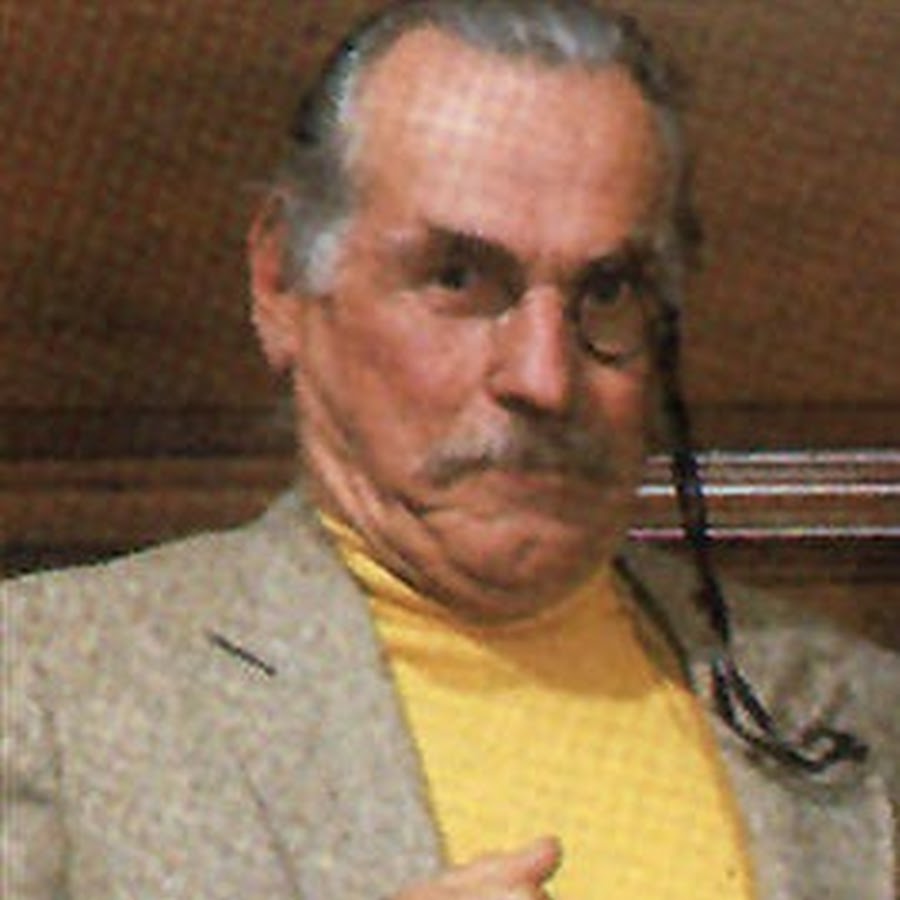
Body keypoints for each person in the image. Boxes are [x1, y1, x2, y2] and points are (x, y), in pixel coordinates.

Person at [3, 1, 898, 897]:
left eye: (607, 291)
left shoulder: (847, 710)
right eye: (459, 278)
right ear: (283, 280)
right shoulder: (47, 688)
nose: (544, 377)